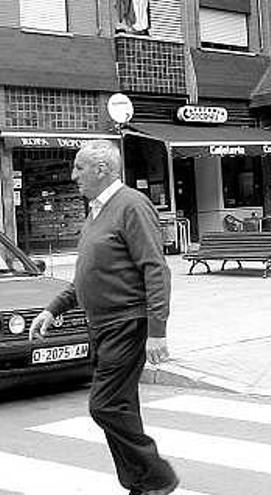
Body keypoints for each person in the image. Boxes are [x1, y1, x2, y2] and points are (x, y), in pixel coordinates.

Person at [29, 140, 178, 495]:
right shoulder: (96, 211)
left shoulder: (131, 205)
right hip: (103, 326)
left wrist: (157, 331)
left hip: (127, 323)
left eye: (79, 167)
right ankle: (141, 485)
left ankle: (158, 477)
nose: (73, 175)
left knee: (105, 405)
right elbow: (87, 276)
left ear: (101, 169)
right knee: (121, 407)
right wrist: (54, 309)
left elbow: (156, 269)